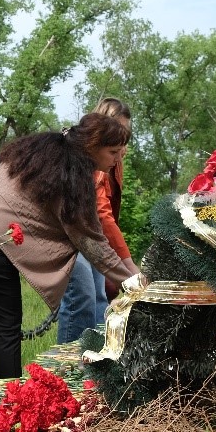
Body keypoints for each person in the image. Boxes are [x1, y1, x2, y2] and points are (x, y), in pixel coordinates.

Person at [0, 114, 139, 387]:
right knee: (6, 326)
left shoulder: (47, 150)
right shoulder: (73, 176)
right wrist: (135, 285)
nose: (117, 159)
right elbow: (93, 243)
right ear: (93, 146)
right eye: (113, 152)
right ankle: (10, 400)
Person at [57, 98, 139, 343]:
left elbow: (105, 216)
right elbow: (102, 215)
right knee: (81, 294)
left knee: (99, 296)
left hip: (88, 234)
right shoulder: (84, 162)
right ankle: (71, 359)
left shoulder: (111, 161)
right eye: (115, 144)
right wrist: (128, 267)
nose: (122, 146)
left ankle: (99, 356)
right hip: (67, 233)